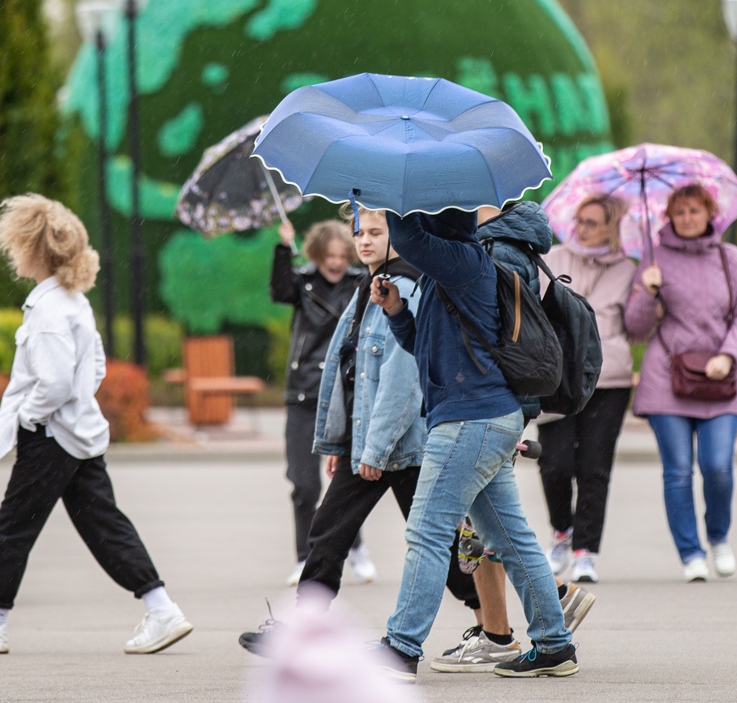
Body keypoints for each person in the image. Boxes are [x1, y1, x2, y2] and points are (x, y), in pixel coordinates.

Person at [0, 194, 190, 655]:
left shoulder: (50, 310)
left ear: (33, 248)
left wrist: (29, 419)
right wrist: (61, 406)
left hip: (51, 437)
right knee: (104, 525)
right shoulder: (71, 301)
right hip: (77, 434)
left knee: (13, 528)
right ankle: (162, 610)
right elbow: (92, 369)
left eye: (17, 244)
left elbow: (53, 383)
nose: (13, 253)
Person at [240, 206, 481, 654]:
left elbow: (400, 381)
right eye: (359, 232)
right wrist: (341, 441)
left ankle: (500, 621)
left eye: (375, 231)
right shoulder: (366, 286)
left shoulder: (402, 286)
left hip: (399, 446)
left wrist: (372, 448)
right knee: (332, 532)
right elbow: (348, 372)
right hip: (369, 441)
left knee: (438, 546)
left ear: (402, 235)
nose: (364, 240)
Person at [370, 209, 577, 681]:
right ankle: (554, 645)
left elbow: (407, 236)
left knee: (427, 533)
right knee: (510, 539)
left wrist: (391, 200)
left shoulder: (464, 259)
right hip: (481, 417)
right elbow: (427, 348)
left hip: (470, 420)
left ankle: (400, 647)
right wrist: (398, 312)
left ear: (439, 221)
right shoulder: (451, 270)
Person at [429, 201, 594, 674]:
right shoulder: (505, 241)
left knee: (479, 527)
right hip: (499, 400)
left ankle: (514, 628)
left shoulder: (498, 246)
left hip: (490, 401)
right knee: (488, 523)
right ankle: (540, 621)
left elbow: (487, 330)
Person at [623, 185, 737, 582]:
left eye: (694, 210)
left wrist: (728, 355)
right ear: (669, 216)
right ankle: (691, 553)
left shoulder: (730, 259)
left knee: (717, 466)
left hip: (721, 379)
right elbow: (634, 327)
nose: (686, 218)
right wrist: (648, 293)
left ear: (709, 213)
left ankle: (718, 537)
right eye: (679, 212)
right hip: (666, 380)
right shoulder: (653, 259)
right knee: (678, 470)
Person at [538, 196, 637, 583]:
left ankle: (585, 551)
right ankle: (561, 532)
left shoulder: (629, 269)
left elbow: (640, 328)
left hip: (609, 380)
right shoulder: (554, 258)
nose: (582, 228)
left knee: (595, 469)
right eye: (579, 220)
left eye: (592, 222)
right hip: (559, 377)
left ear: (611, 226)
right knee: (555, 464)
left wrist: (649, 296)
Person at [270, 219, 370, 586]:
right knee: (304, 484)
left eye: (343, 255)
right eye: (329, 256)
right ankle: (303, 556)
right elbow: (279, 290)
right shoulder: (302, 282)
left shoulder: (362, 282)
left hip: (346, 394)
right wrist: (283, 248)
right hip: (304, 392)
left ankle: (355, 548)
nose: (336, 263)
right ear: (316, 254)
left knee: (349, 482)